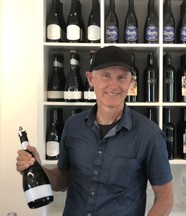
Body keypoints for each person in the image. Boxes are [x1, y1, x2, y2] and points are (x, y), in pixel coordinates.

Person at [16, 46, 174, 215]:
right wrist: (39, 168)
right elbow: (63, 179)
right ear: (91, 79)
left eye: (121, 77)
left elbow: (165, 197)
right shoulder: (73, 126)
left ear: (130, 82)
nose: (114, 85)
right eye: (106, 75)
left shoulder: (149, 135)